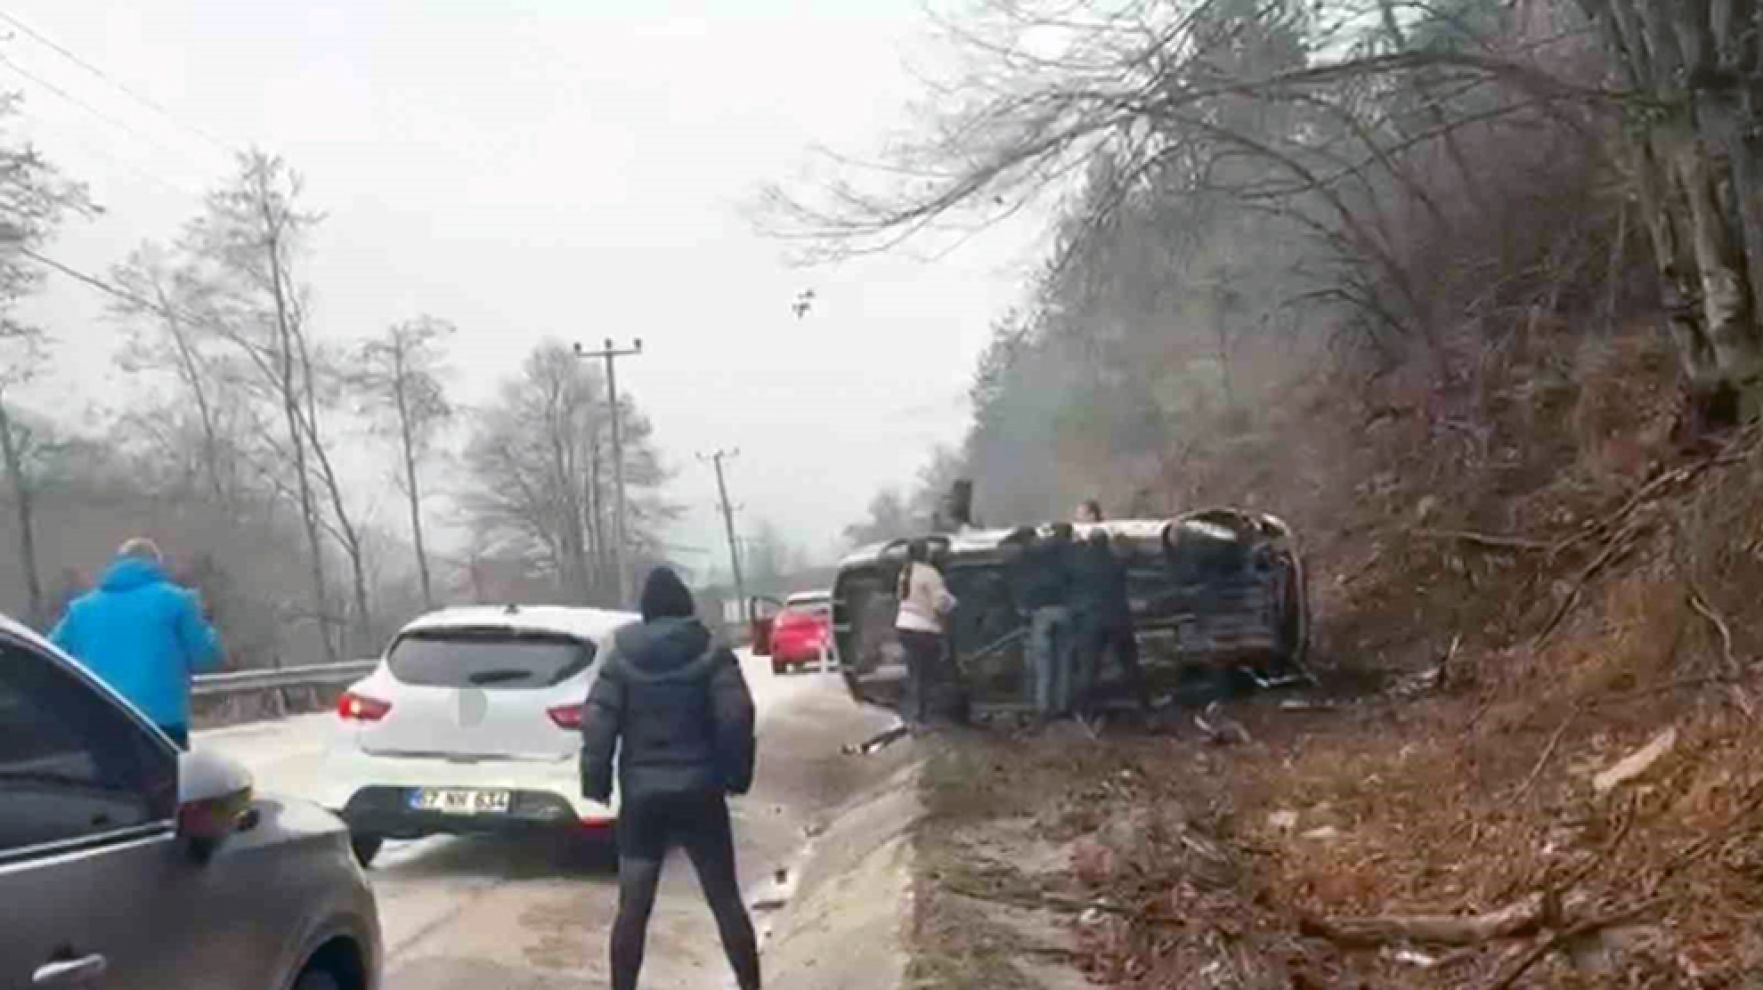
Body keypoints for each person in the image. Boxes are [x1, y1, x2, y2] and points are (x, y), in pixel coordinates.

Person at [580, 567, 760, 990]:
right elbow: (736, 715)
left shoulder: (620, 657)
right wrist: (735, 775)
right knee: (725, 900)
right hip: (701, 794)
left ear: (646, 611)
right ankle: (751, 986)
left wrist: (597, 780)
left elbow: (597, 721)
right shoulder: (711, 651)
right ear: (686, 607)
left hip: (643, 798)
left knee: (634, 907)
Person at [49, 538, 222, 748]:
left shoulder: (81, 610)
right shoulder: (177, 602)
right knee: (162, 780)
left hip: (101, 721)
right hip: (161, 722)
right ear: (156, 564)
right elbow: (206, 656)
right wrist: (206, 625)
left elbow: (50, 657)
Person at [1071, 529, 1151, 717]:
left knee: (1088, 669)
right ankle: (1145, 707)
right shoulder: (1116, 562)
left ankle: (1082, 710)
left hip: (1093, 621)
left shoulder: (1081, 563)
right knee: (1131, 665)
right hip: (1119, 619)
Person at [1016, 523, 1078, 719]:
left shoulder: (1036, 554)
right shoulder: (1072, 554)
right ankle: (1062, 705)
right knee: (1064, 660)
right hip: (1064, 609)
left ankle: (1042, 706)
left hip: (1041, 611)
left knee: (1042, 662)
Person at [894, 539, 956, 727]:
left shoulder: (905, 572)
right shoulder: (929, 573)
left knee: (915, 673)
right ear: (925, 553)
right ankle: (927, 716)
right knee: (929, 675)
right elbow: (940, 603)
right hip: (924, 628)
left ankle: (914, 715)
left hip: (904, 626)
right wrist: (955, 603)